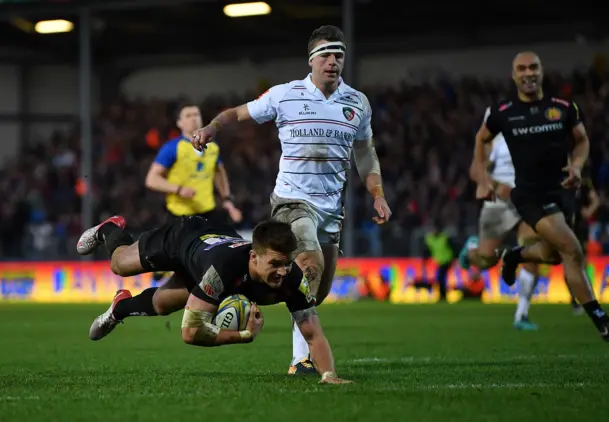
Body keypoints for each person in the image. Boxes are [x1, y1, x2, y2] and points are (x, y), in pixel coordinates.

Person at [191, 25, 392, 374]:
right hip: (292, 202)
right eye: (326, 55)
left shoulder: (357, 103)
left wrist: (378, 194)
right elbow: (237, 114)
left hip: (332, 210)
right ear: (311, 60)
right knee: (309, 263)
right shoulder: (284, 95)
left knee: (316, 290)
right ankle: (301, 360)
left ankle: (247, 293)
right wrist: (211, 128)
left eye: (339, 56)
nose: (333, 62)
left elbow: (365, 154)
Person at [77, 215, 351, 384]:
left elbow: (313, 333)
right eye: (276, 263)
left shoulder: (291, 279)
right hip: (183, 238)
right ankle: (109, 228)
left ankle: (119, 307)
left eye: (288, 264)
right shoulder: (224, 269)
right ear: (254, 257)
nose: (283, 271)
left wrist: (329, 375)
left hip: (211, 246)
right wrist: (243, 335)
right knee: (120, 265)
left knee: (162, 304)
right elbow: (190, 332)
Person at [470, 51, 609, 343]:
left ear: (542, 72)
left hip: (563, 192)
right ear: (514, 75)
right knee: (573, 250)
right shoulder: (503, 112)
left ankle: (514, 255)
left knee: (555, 255)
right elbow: (480, 139)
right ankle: (602, 321)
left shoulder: (564, 108)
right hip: (530, 195)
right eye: (522, 69)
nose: (528, 73)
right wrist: (482, 179)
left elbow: (582, 140)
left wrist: (577, 166)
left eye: (533, 67)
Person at [145, 102, 243, 282]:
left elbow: (219, 173)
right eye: (188, 115)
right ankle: (153, 291)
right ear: (179, 123)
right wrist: (178, 189)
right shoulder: (173, 148)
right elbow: (152, 179)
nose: (193, 118)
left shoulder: (212, 148)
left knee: (216, 254)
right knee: (166, 260)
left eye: (196, 114)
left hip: (207, 213)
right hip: (179, 215)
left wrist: (228, 201)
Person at [464, 106, 540, 330]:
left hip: (529, 196)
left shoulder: (543, 122)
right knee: (486, 260)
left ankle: (522, 315)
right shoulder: (494, 132)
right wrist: (496, 185)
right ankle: (472, 248)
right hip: (500, 200)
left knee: (531, 252)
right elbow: (475, 171)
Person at [566, 166, 600, 315]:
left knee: (582, 264)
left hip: (580, 228)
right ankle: (574, 298)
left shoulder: (585, 184)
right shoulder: (563, 183)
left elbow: (596, 200)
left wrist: (589, 211)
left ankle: (586, 296)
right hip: (567, 227)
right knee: (568, 265)